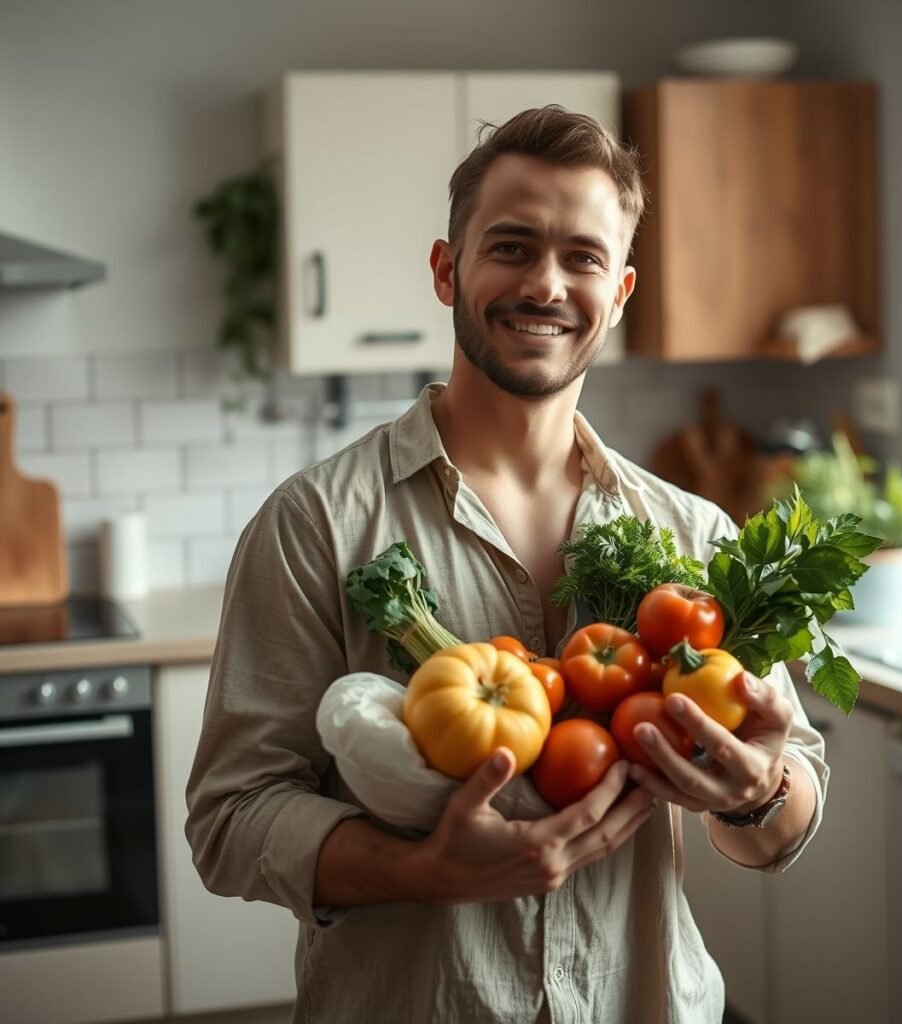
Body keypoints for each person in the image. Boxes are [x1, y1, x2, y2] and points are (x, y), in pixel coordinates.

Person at [185, 106, 828, 1024]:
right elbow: (230, 823)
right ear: (448, 271)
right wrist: (422, 871)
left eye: (583, 257)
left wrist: (760, 793)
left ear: (622, 289)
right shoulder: (315, 524)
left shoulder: (693, 534)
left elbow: (782, 826)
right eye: (512, 247)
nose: (547, 285)